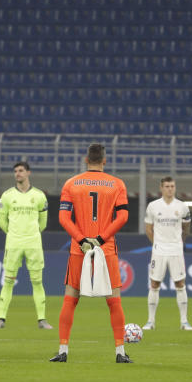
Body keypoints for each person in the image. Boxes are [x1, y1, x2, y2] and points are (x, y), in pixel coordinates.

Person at [50, 143, 131, 363]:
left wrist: (82, 239)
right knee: (114, 302)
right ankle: (120, 353)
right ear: (105, 161)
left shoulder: (72, 183)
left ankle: (63, 350)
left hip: (79, 248)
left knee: (70, 299)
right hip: (106, 248)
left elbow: (63, 218)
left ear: (86, 160)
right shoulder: (117, 184)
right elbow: (122, 217)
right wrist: (101, 239)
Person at [0, 161, 50, 330]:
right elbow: (2, 222)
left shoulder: (39, 196)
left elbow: (43, 222)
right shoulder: (7, 196)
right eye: (16, 171)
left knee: (37, 282)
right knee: (8, 281)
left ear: (28, 173)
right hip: (14, 243)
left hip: (33, 243)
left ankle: (42, 320)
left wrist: (31, 234)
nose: (18, 173)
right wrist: (14, 234)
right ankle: (1, 319)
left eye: (21, 170)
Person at [142, 176, 192, 331]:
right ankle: (151, 321)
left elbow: (186, 228)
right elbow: (148, 228)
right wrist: (156, 243)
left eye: (172, 186)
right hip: (159, 251)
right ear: (161, 188)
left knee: (180, 284)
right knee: (154, 284)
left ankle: (184, 322)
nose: (170, 189)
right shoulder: (153, 206)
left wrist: (179, 242)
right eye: (167, 186)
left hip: (176, 250)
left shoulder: (182, 206)